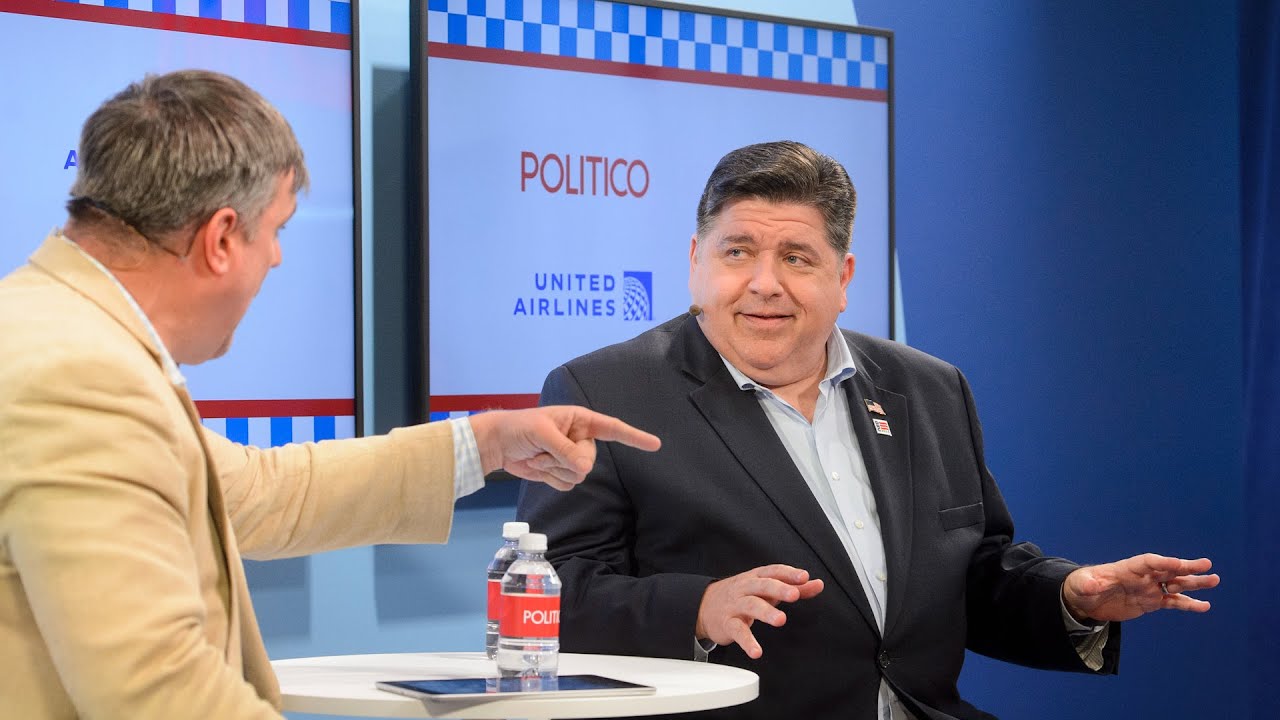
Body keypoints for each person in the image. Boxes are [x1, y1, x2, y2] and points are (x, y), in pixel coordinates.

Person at [0, 70, 660, 719]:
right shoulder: (80, 373)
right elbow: (156, 688)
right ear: (223, 238)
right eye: (278, 229)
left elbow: (256, 491)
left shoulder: (59, 335)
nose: (279, 259)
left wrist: (486, 442)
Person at [517, 140, 1219, 720]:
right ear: (695, 262)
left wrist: (1071, 596)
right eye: (737, 253)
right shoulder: (604, 393)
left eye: (796, 258)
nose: (764, 283)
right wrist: (697, 607)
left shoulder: (929, 388)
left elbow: (971, 575)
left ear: (843, 276)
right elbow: (552, 599)